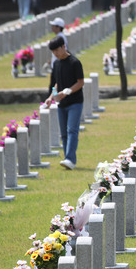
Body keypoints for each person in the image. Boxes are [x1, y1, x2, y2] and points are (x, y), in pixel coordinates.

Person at [44, 36, 84, 170]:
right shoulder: (56, 64)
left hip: (75, 102)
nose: (55, 53)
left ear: (63, 47)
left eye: (57, 50)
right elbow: (56, 84)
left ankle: (70, 159)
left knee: (72, 130)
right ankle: (68, 159)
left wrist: (66, 92)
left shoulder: (74, 62)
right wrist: (52, 97)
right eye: (53, 51)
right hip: (62, 104)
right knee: (64, 134)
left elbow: (80, 82)